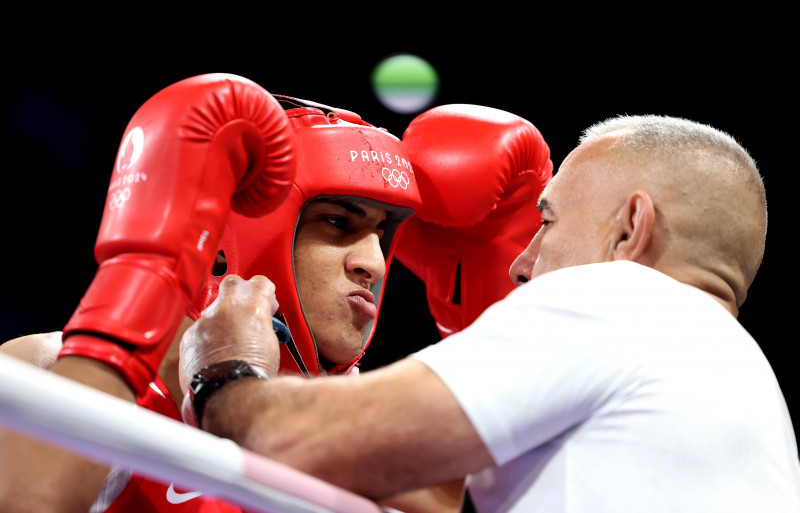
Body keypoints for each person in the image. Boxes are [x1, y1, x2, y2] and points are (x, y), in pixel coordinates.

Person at [177, 115, 800, 512]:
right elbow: (436, 489)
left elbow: (301, 441)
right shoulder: (744, 382)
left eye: (547, 221)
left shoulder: (617, 300)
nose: (519, 264)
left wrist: (224, 372)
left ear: (631, 228)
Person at [0, 76, 553, 513]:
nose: (374, 264)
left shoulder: (382, 434)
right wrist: (146, 272)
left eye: (383, 235)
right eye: (338, 222)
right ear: (228, 243)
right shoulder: (45, 370)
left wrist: (489, 315)